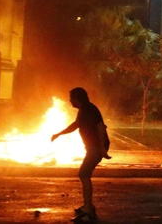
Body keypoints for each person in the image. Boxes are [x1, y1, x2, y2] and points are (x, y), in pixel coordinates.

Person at [51, 87, 111, 222]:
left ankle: (89, 211)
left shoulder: (89, 110)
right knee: (84, 174)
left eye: (71, 99)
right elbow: (76, 124)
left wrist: (102, 149)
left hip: (96, 148)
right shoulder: (84, 110)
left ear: (77, 99)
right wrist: (59, 134)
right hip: (92, 147)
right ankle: (87, 206)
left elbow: (101, 127)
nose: (70, 101)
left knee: (84, 174)